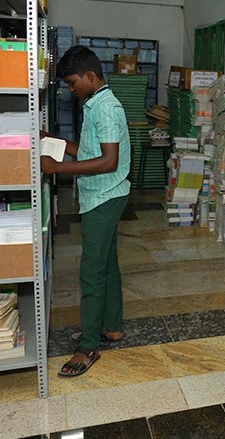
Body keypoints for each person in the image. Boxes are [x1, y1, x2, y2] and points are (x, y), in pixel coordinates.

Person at [40, 45, 131, 377]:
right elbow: (91, 150)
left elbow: (109, 161)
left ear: (91, 76)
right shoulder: (95, 104)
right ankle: (112, 327)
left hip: (104, 198)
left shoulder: (106, 109)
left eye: (72, 82)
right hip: (105, 194)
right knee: (107, 263)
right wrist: (56, 142)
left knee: (91, 271)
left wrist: (57, 169)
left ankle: (88, 346)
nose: (70, 88)